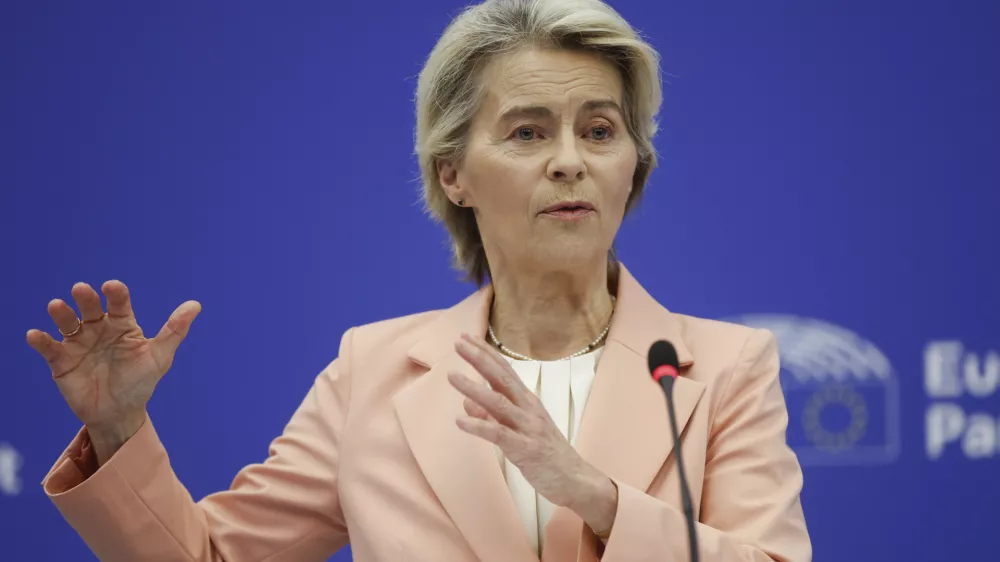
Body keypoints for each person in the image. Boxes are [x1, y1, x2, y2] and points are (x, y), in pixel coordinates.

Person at [28, 0, 811, 560]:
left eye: (600, 131)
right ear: (454, 173)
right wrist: (119, 430)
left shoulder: (723, 368)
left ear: (632, 164)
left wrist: (596, 498)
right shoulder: (374, 372)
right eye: (528, 131)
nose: (571, 159)